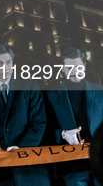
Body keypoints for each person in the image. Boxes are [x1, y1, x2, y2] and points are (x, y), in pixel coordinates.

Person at [0, 44, 50, 186]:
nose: (5, 67)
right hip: (0, 169)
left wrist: (21, 147)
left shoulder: (30, 85)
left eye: (8, 62)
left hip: (31, 165)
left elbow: (39, 122)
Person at [46, 47, 103, 186]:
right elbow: (45, 129)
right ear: (63, 69)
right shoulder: (51, 95)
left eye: (77, 66)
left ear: (84, 66)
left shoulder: (100, 92)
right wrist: (63, 134)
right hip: (71, 168)